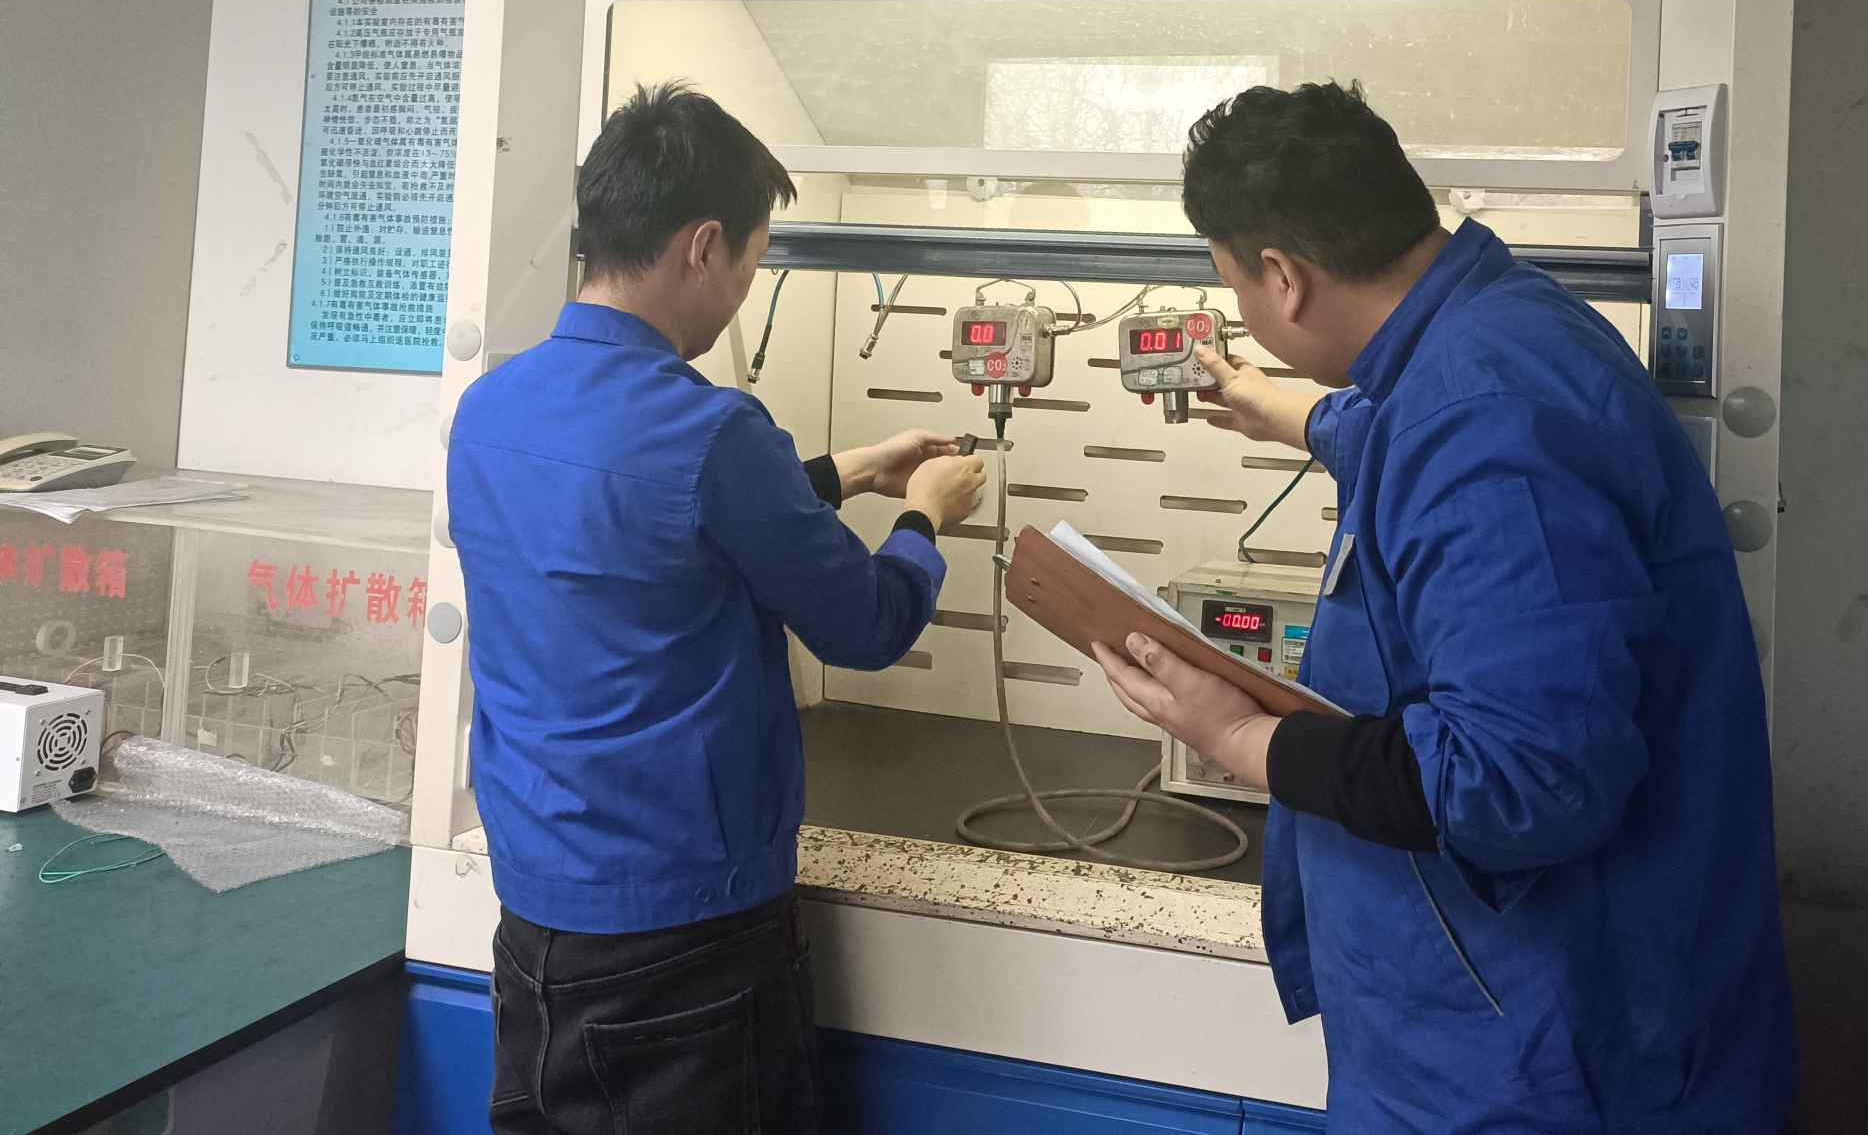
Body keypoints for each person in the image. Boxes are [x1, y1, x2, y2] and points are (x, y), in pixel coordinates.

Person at [1093, 81, 1794, 1133]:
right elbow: (1429, 455)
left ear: (1282, 278)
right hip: (1535, 1024)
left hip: (1543, 1063)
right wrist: (1293, 412)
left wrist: (1235, 735)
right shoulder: (1500, 330)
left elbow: (1521, 781)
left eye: (1234, 285)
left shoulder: (1482, 416)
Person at [449, 83, 983, 1135]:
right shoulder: (711, 432)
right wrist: (924, 516)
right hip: (683, 941)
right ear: (702, 246)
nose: (744, 288)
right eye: (751, 261)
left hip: (537, 920)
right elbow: (867, 625)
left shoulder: (491, 407)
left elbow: (642, 528)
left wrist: (842, 471)